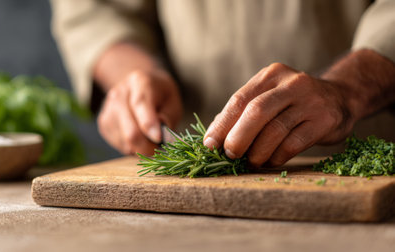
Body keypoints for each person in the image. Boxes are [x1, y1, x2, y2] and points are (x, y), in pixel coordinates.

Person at [50, 0, 395, 167]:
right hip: (192, 174)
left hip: (366, 157)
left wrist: (347, 90)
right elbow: (96, 10)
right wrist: (132, 75)